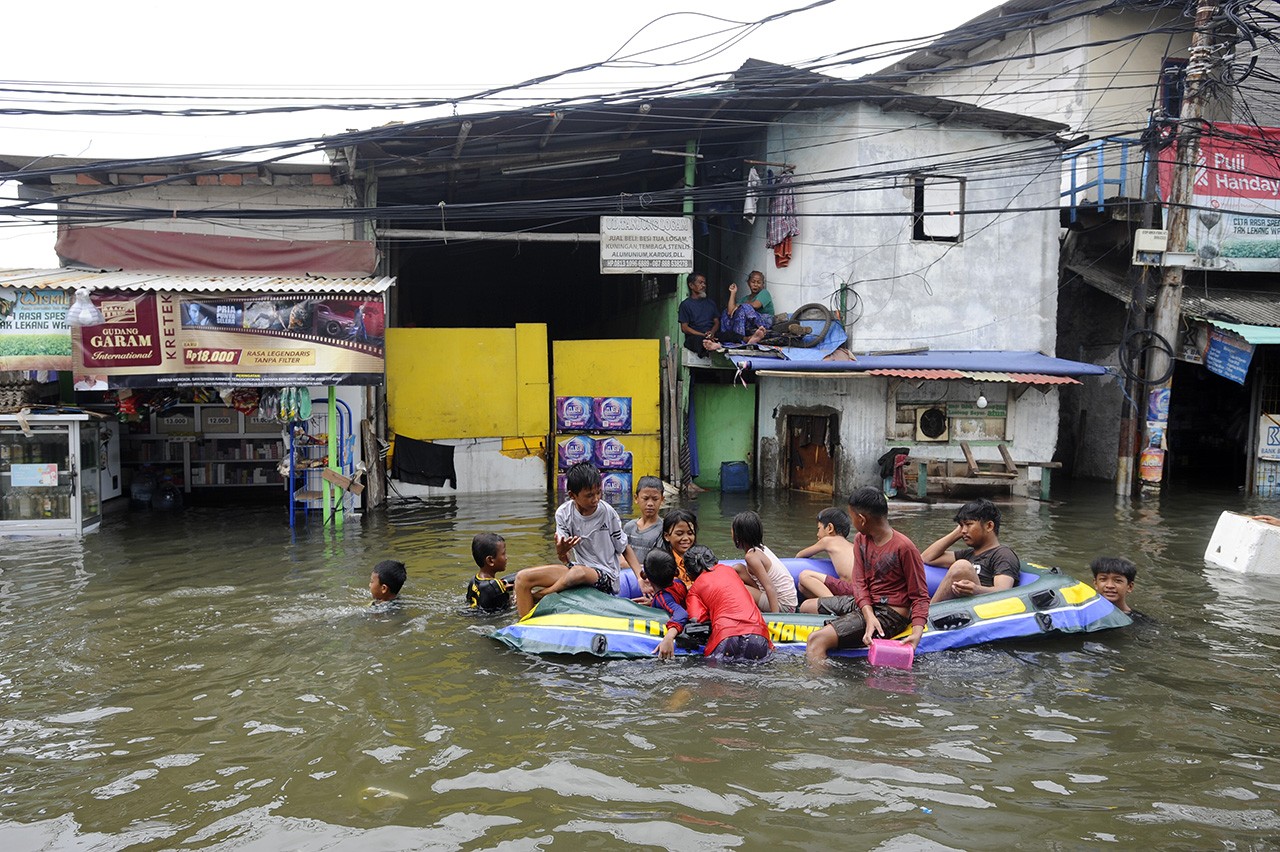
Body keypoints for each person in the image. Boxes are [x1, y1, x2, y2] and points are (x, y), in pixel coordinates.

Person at [804, 488, 930, 664]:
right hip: (865, 603)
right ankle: (847, 627)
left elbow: (920, 596)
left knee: (816, 640)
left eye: (852, 516)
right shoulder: (861, 540)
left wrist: (917, 633)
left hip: (890, 613)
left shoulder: (904, 548)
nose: (852, 521)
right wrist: (868, 615)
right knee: (806, 607)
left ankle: (822, 689)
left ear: (862, 520)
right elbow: (860, 583)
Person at [514, 462, 641, 617]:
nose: (596, 499)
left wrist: (640, 577)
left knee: (577, 572)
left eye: (598, 493)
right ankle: (523, 626)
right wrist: (561, 551)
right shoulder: (563, 514)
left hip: (606, 576)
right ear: (572, 495)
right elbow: (564, 559)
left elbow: (624, 547)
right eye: (589, 495)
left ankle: (540, 596)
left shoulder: (608, 513)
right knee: (522, 578)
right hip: (577, 569)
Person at [683, 544, 773, 662]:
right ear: (713, 559)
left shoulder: (695, 589)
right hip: (758, 634)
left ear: (689, 572)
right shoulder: (730, 570)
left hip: (726, 636)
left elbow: (697, 618)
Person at [923, 499, 1021, 603]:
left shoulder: (1002, 554)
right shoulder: (968, 554)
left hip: (982, 608)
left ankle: (928, 613)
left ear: (989, 526)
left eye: (969, 524)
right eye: (961, 526)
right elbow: (927, 558)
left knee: (962, 567)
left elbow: (1004, 592)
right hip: (958, 609)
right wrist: (958, 532)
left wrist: (976, 589)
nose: (964, 530)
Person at [730, 510, 797, 613]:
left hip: (784, 606)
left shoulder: (751, 557)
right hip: (788, 601)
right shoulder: (761, 549)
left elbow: (770, 588)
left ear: (739, 535)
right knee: (737, 569)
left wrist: (776, 620)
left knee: (736, 587)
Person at [795, 507, 857, 602]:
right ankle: (832, 605)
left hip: (850, 589)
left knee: (804, 575)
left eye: (819, 529)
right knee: (802, 587)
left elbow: (800, 555)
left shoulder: (827, 541)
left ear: (829, 528)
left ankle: (835, 604)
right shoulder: (851, 545)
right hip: (859, 591)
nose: (817, 534)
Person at [646, 550, 691, 660]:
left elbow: (681, 613)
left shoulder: (663, 597)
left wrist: (669, 637)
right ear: (675, 572)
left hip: (677, 632)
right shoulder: (679, 583)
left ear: (645, 576)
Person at [718, 270, 771, 347]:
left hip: (764, 322)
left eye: (759, 282)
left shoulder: (764, 293)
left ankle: (740, 341)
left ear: (763, 284)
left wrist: (739, 307)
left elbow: (756, 305)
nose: (756, 284)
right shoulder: (745, 299)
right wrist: (733, 293)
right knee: (725, 312)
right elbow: (730, 311)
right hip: (749, 323)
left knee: (743, 307)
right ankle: (733, 340)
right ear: (748, 283)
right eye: (753, 282)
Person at [465, 532, 512, 613]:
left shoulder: (474, 579)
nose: (506, 558)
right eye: (503, 554)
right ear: (490, 560)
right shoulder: (494, 585)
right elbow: (508, 609)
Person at [677, 273, 720, 354]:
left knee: (728, 335)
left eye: (704, 283)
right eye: (700, 283)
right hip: (695, 337)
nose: (703, 285)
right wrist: (703, 335)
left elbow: (717, 322)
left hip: (711, 336)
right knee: (698, 341)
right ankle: (709, 345)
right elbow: (684, 328)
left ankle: (748, 339)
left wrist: (712, 333)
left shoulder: (711, 303)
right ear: (691, 285)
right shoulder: (685, 305)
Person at [659, 508, 698, 584]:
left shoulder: (701, 558)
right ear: (666, 536)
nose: (686, 538)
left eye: (690, 533)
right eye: (679, 534)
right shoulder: (664, 564)